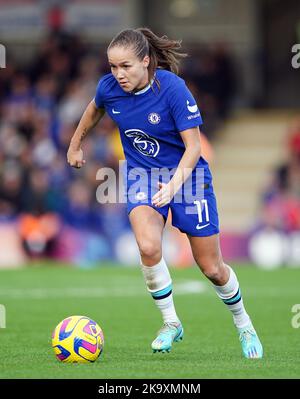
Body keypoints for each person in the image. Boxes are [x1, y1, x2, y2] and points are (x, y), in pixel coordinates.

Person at [67, 28, 263, 358]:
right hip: (142, 175)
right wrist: (75, 145)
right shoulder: (109, 88)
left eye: (126, 66)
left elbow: (194, 147)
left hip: (188, 178)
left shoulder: (172, 88)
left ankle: (244, 324)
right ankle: (171, 323)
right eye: (113, 67)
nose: (118, 74)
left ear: (146, 61)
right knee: (147, 245)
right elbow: (93, 110)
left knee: (212, 268)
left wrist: (173, 187)